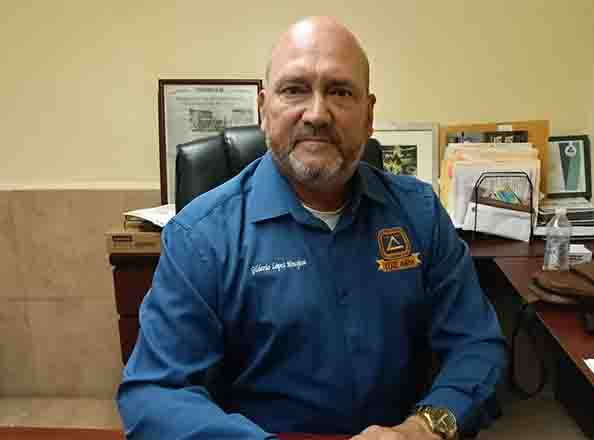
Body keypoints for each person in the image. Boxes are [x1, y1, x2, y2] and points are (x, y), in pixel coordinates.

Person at [117, 16, 506, 440]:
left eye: (340, 91)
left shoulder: (420, 214)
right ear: (264, 110)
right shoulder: (201, 237)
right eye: (294, 89)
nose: (317, 114)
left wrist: (423, 428)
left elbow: (476, 345)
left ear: (369, 115)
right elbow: (156, 394)